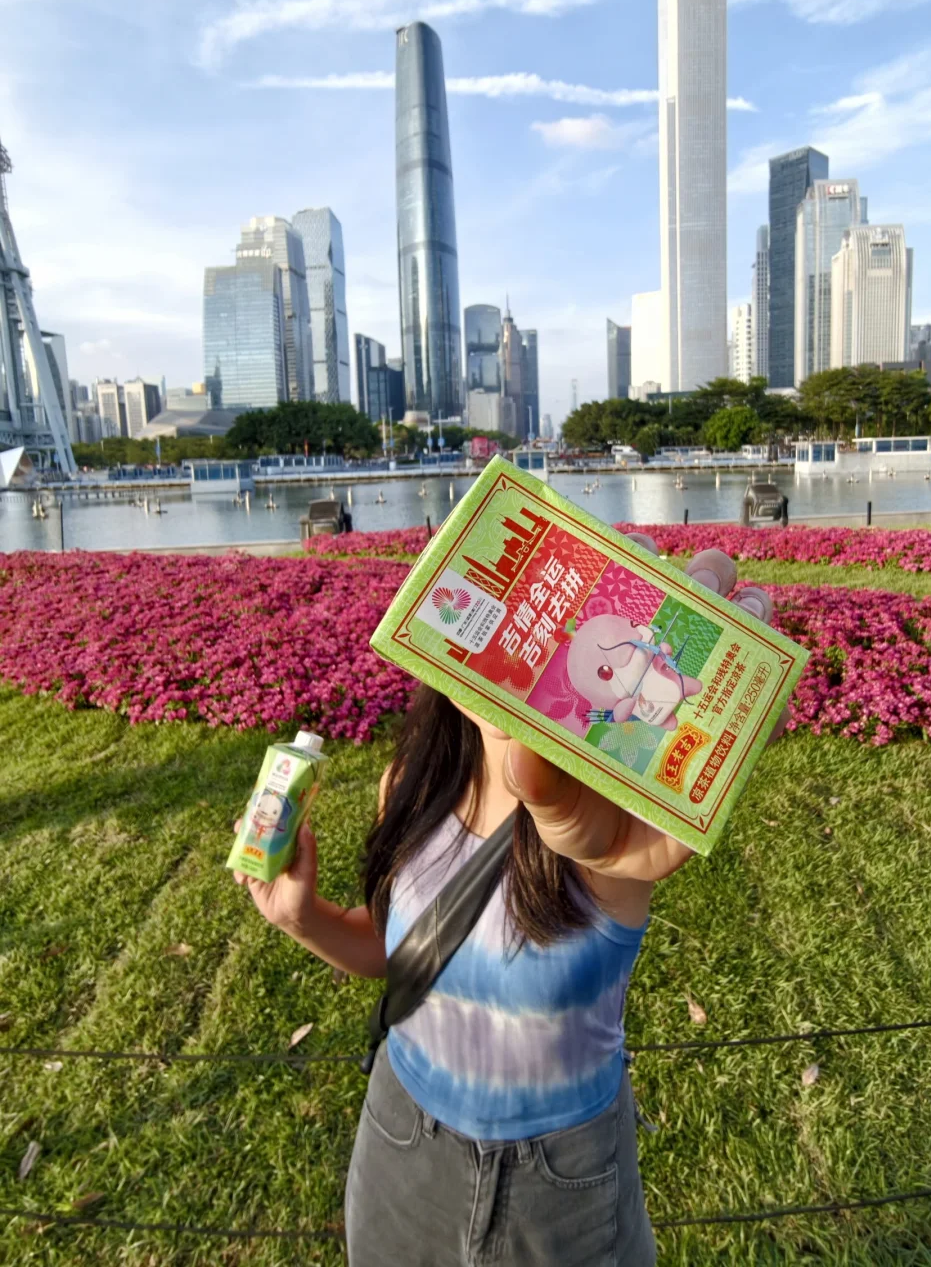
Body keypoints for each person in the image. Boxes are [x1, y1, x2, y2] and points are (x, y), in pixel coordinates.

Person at [234, 540, 788, 1265]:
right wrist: (305, 918)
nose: (522, 662)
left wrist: (697, 718)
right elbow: (404, 955)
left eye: (552, 636)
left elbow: (630, 832)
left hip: (562, 1178)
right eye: (502, 627)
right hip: (403, 1142)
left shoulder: (606, 825)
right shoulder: (412, 780)